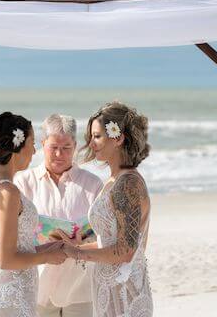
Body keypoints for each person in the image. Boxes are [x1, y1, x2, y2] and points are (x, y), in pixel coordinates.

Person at [0, 112, 67, 317]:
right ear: (16, 145)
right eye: (31, 142)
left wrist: (50, 246)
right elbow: (5, 259)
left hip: (3, 292)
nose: (35, 149)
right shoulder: (8, 192)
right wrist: (47, 256)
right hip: (12, 299)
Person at [62, 102, 153, 317]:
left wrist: (76, 253)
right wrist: (74, 244)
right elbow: (109, 242)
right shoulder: (113, 181)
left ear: (118, 138)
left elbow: (126, 251)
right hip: (109, 288)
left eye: (97, 136)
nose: (91, 144)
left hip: (125, 293)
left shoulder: (128, 184)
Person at [15, 114, 103, 317]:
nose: (59, 154)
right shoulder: (23, 182)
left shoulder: (93, 184)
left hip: (80, 287)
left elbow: (104, 235)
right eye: (53, 147)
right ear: (42, 143)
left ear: (75, 145)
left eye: (66, 148)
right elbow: (14, 235)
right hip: (38, 286)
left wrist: (83, 242)